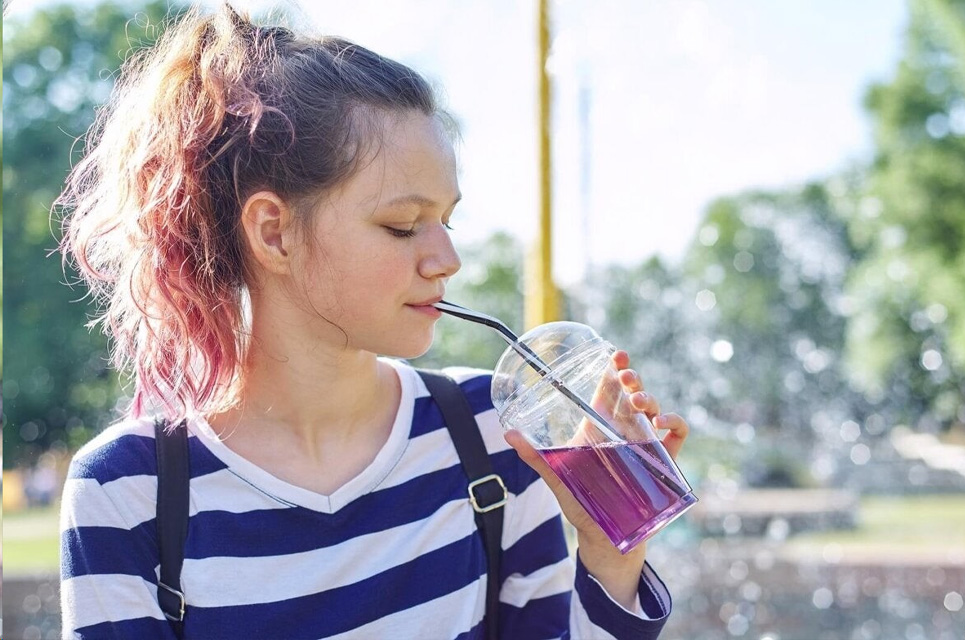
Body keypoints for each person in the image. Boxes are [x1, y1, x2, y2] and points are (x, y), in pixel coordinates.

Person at [56, 4, 690, 639]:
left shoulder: (491, 435)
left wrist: (612, 558)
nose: (447, 260)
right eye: (403, 226)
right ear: (274, 233)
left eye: (448, 220)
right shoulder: (127, 493)